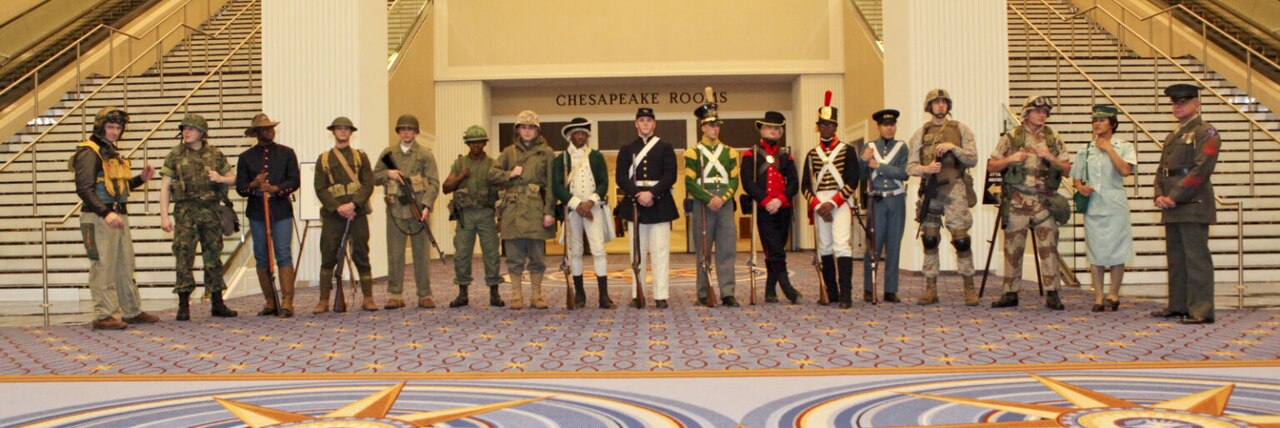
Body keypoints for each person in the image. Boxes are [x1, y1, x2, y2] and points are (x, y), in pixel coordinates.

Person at [72, 107, 158, 330]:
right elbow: (84, 188)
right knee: (103, 265)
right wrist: (105, 213)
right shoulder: (88, 152)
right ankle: (103, 314)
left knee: (124, 265)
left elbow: (118, 187)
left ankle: (131, 311)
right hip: (98, 217)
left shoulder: (110, 152)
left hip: (117, 214)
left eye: (118, 127)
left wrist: (141, 179)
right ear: (100, 126)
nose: (114, 131)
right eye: (110, 127)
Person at [986, 95, 1072, 310]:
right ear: (1026, 113)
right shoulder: (1012, 137)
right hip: (1017, 201)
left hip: (1044, 202)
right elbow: (991, 165)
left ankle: (1053, 292)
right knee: (1012, 248)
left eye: (1045, 111)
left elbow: (1068, 169)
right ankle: (1010, 292)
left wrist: (1051, 158)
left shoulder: (1053, 138)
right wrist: (1010, 159)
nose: (1042, 115)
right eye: (1037, 111)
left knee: (1049, 248)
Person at [159, 113, 238, 321]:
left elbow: (234, 179)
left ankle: (217, 302)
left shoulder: (215, 154)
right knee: (183, 256)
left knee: (213, 257)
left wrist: (220, 178)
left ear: (202, 132)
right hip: (185, 213)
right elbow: (165, 187)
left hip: (211, 212)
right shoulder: (175, 154)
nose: (186, 132)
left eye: (191, 129)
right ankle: (184, 305)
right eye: (184, 129)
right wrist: (164, 216)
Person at [1152, 83, 1219, 325]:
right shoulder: (1175, 135)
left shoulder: (1205, 131)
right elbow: (1162, 169)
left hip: (1192, 203)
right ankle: (1179, 305)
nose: (1177, 106)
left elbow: (1203, 168)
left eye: (1183, 102)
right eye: (1175, 102)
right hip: (1173, 205)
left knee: (1196, 259)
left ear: (1196, 104)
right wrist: (1159, 193)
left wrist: (1175, 195)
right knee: (1177, 259)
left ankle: (1201, 309)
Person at [906, 89, 979, 306]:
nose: (940, 106)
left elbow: (973, 159)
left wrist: (954, 148)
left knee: (961, 239)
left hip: (954, 188)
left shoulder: (961, 129)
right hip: (931, 189)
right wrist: (926, 168)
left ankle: (969, 287)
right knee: (929, 238)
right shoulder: (920, 133)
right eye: (936, 103)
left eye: (943, 102)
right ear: (929, 107)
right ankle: (931, 288)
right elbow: (910, 167)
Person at [1071, 104, 1135, 312]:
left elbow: (1125, 171)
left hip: (1115, 204)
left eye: (1101, 120)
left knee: (1118, 249)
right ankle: (1098, 296)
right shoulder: (1086, 149)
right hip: (1094, 206)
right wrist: (1081, 188)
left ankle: (1114, 293)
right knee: (1095, 251)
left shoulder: (1124, 146)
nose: (1097, 124)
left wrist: (1109, 149)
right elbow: (1076, 179)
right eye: (1094, 120)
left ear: (1113, 123)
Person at [236, 113, 300, 317]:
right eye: (265, 128)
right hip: (257, 212)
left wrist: (276, 189)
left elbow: (294, 181)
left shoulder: (287, 153)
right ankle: (270, 301)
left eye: (271, 127)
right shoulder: (245, 157)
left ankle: (288, 301)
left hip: (280, 209)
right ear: (256, 133)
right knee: (262, 256)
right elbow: (240, 187)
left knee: (283, 253)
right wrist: (254, 184)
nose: (269, 131)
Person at [373, 114, 440, 310]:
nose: (406, 133)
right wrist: (388, 173)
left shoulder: (425, 154)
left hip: (418, 209)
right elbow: (374, 176)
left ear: (416, 132)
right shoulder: (389, 153)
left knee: (421, 254)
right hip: (395, 211)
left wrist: (427, 206)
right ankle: (395, 294)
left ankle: (424, 294)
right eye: (402, 129)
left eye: (409, 129)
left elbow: (434, 183)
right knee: (395, 254)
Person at [801, 92, 861, 309]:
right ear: (818, 127)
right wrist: (818, 205)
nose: (826, 128)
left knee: (841, 245)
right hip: (819, 202)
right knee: (824, 247)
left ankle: (846, 294)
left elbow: (853, 180)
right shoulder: (811, 154)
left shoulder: (848, 150)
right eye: (822, 124)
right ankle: (831, 292)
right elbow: (805, 186)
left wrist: (833, 203)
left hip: (840, 201)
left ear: (835, 127)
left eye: (829, 124)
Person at [616, 107, 680, 309]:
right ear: (636, 123)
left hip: (659, 203)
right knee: (637, 252)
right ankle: (638, 293)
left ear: (654, 124)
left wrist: (651, 194)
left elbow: (671, 175)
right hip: (636, 204)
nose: (645, 124)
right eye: (641, 120)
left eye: (648, 121)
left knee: (660, 251)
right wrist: (638, 194)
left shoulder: (665, 147)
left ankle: (661, 295)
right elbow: (620, 178)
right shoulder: (627, 148)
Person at [493, 110, 557, 309]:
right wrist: (509, 173)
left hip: (536, 209)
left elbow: (551, 184)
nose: (527, 131)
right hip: (512, 209)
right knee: (514, 255)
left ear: (537, 130)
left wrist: (549, 211)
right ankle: (516, 295)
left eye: (531, 127)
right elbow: (491, 173)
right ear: (518, 130)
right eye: (523, 127)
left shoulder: (546, 152)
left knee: (537, 256)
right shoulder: (508, 152)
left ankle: (536, 295)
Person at [551, 118, 616, 309]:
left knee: (598, 249)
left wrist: (590, 202)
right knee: (575, 251)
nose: (580, 137)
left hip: (593, 207)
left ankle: (604, 295)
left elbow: (604, 182)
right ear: (570, 136)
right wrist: (577, 204)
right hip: (572, 210)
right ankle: (579, 295)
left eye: (583, 134)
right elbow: (556, 185)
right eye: (576, 133)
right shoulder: (560, 159)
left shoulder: (596, 156)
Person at [314, 116, 375, 313]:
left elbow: (368, 184)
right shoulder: (323, 159)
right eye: (339, 129)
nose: (342, 132)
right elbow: (320, 188)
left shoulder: (360, 157)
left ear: (351, 132)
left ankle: (368, 298)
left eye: (346, 129)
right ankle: (323, 300)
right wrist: (337, 207)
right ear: (333, 132)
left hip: (356, 214)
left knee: (361, 254)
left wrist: (354, 205)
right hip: (334, 216)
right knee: (328, 255)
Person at [685, 98, 741, 307]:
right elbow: (690, 182)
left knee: (727, 248)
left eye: (716, 125)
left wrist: (723, 198)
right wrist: (709, 199)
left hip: (724, 203)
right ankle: (703, 291)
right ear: (702, 127)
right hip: (703, 202)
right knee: (704, 249)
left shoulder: (730, 152)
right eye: (710, 124)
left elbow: (734, 179)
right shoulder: (693, 152)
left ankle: (728, 292)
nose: (714, 129)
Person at [443, 125, 507, 308]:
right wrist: (460, 177)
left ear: (485, 143)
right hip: (465, 214)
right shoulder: (460, 164)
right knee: (462, 253)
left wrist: (500, 218)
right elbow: (446, 188)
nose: (476, 145)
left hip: (487, 214)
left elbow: (503, 192)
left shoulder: (493, 164)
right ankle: (462, 293)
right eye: (472, 142)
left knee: (491, 253)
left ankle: (494, 293)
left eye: (479, 142)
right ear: (467, 144)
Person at [741, 111, 801, 304]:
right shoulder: (752, 153)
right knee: (775, 250)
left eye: (776, 128)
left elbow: (794, 183)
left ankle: (769, 291)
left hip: (783, 208)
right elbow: (748, 182)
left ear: (781, 132)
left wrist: (781, 199)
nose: (772, 131)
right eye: (769, 127)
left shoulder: (786, 156)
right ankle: (788, 289)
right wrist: (766, 201)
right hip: (764, 209)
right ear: (762, 130)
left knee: (775, 249)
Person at [859, 109, 909, 303]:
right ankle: (868, 288)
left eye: (892, 125)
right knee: (873, 246)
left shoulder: (902, 147)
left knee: (894, 245)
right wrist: (864, 161)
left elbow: (904, 173)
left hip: (896, 199)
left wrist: (879, 166)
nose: (890, 128)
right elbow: (861, 175)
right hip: (876, 201)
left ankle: (890, 290)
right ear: (879, 127)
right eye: (886, 125)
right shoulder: (870, 146)